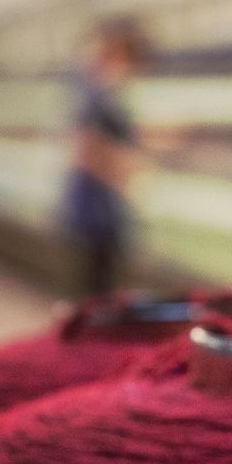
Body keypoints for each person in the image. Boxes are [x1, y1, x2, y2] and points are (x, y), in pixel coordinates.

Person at [64, 17, 145, 296]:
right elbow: (84, 147)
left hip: (99, 203)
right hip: (99, 204)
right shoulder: (98, 94)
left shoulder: (98, 91)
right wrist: (119, 176)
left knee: (98, 280)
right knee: (98, 284)